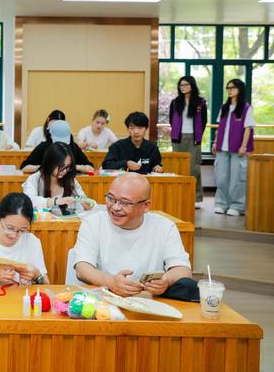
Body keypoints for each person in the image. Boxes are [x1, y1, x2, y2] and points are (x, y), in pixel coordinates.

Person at [72, 174, 192, 297]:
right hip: (104, 300)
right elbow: (82, 269)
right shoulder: (93, 223)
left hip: (149, 301)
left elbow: (183, 270)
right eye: (111, 198)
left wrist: (166, 280)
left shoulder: (164, 226)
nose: (115, 207)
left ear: (145, 206)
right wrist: (111, 282)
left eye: (125, 202)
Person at [213, 79, 254, 216]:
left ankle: (237, 206)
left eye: (233, 87)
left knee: (237, 179)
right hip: (222, 148)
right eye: (228, 88)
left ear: (240, 90)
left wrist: (243, 146)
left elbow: (248, 128)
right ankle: (221, 204)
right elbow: (219, 127)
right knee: (221, 178)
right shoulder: (224, 107)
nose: (230, 90)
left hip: (238, 149)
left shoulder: (246, 108)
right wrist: (215, 142)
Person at [22, 142, 94, 215]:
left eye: (67, 166)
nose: (64, 171)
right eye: (61, 166)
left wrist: (87, 204)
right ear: (50, 163)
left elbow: (83, 199)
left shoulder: (71, 180)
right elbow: (29, 202)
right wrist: (56, 201)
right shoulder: (34, 179)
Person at [169, 77, 207, 208]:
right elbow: (171, 119)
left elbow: (204, 121)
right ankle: (179, 195)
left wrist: (198, 135)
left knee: (194, 168)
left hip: (193, 138)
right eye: (181, 85)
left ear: (192, 85)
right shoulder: (175, 102)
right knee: (178, 167)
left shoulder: (200, 102)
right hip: (178, 138)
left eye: (186, 85)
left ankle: (196, 198)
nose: (183, 87)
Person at [20, 120, 95, 173]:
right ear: (50, 135)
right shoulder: (43, 147)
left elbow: (90, 168)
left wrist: (74, 167)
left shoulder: (73, 146)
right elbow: (24, 167)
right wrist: (43, 168)